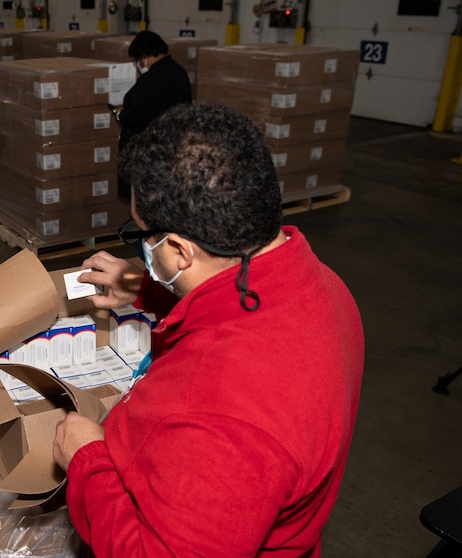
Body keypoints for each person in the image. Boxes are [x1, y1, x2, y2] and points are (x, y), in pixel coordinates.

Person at [53, 104, 364, 557]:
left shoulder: (223, 414)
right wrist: (147, 288)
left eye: (142, 234)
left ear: (179, 250)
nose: (143, 247)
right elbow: (229, 303)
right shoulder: (324, 286)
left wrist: (87, 461)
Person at [113, 31, 192, 198]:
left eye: (138, 59)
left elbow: (136, 116)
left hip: (149, 152)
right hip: (173, 149)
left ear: (145, 55)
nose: (140, 63)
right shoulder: (180, 73)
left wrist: (120, 114)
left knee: (143, 199)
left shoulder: (150, 80)